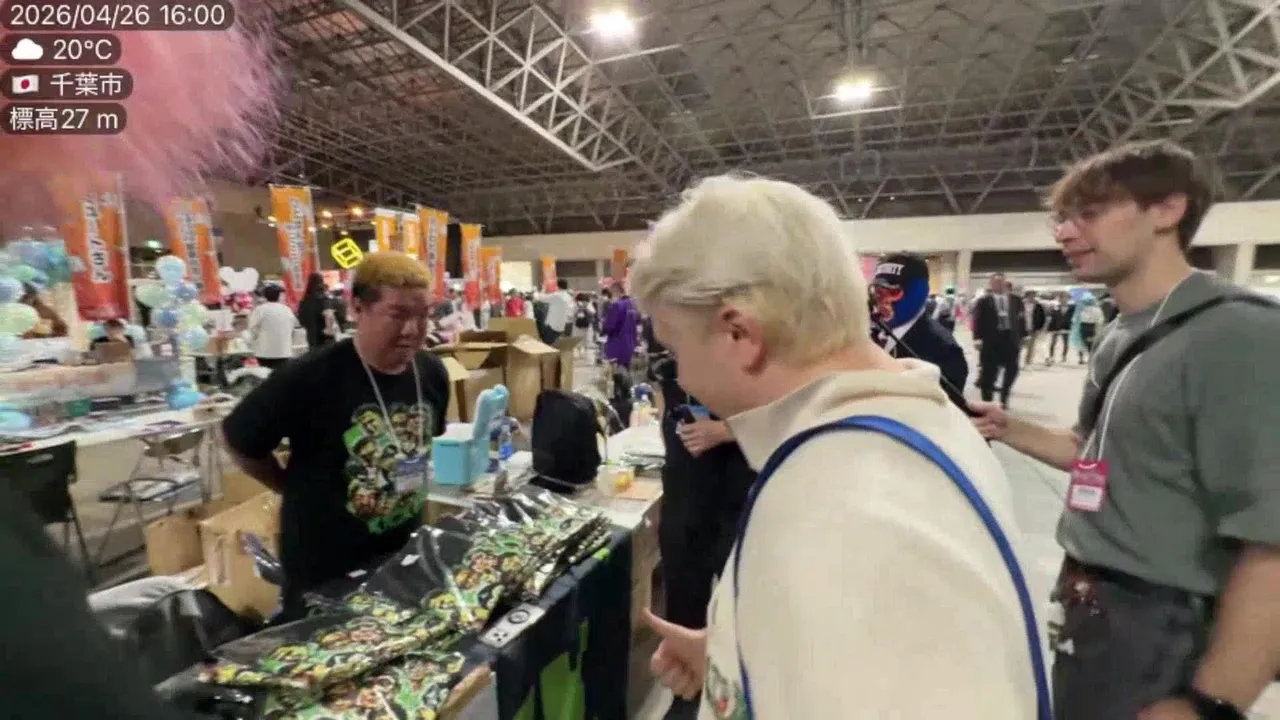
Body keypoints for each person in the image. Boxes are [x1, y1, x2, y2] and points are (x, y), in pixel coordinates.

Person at [630, 175, 1036, 718]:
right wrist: (736, 659)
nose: (680, 375)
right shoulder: (907, 421)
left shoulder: (847, 511)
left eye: (675, 347)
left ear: (739, 335)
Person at [971, 140, 1280, 720]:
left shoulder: (1241, 337)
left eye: (1088, 214)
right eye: (1061, 219)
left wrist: (1208, 703)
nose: (1064, 233)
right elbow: (1092, 453)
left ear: (1168, 210)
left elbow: (1271, 542)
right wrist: (1007, 427)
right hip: (1094, 609)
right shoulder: (1124, 332)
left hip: (1163, 626)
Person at [221, 252, 451, 622]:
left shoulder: (432, 372)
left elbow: (421, 445)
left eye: (424, 315)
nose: (413, 329)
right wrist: (289, 485)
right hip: (325, 566)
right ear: (357, 308)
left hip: (403, 550)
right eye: (397, 314)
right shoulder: (309, 377)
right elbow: (239, 440)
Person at [648, 344, 755, 720]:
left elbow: (789, 404)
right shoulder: (668, 338)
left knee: (742, 606)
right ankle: (686, 700)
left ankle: (740, 698)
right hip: (685, 489)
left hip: (736, 490)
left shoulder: (750, 334)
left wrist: (725, 431)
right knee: (682, 598)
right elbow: (665, 396)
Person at [868, 253, 969, 410]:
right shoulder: (869, 334)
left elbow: (945, 411)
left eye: (892, 292)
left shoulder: (944, 350)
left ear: (919, 292)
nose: (881, 301)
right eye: (877, 292)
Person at [971, 272, 1024, 409]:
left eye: (1001, 282)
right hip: (991, 340)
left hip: (1010, 340)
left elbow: (1021, 319)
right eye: (995, 282)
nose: (999, 285)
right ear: (991, 284)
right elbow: (977, 320)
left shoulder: (1016, 300)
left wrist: (1024, 335)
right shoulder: (984, 301)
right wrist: (977, 338)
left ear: (1005, 283)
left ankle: (1004, 397)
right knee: (988, 373)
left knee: (1012, 370)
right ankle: (987, 403)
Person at [246, 284, 297, 371]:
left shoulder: (260, 310)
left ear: (265, 296)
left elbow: (252, 328)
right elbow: (293, 329)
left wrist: (252, 342)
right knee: (281, 374)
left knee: (266, 374)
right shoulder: (287, 310)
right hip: (284, 351)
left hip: (264, 352)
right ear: (279, 296)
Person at [600, 282, 639, 369]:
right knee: (627, 369)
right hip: (631, 344)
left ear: (615, 292)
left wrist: (603, 331)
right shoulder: (633, 305)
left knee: (617, 372)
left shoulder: (617, 305)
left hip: (617, 344)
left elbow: (610, 326)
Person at [296, 273, 333, 349]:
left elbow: (301, 321)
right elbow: (329, 315)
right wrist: (329, 330)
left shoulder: (304, 301)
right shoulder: (324, 298)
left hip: (311, 339)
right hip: (324, 339)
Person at [537, 278, 574, 344]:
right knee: (558, 345)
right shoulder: (568, 297)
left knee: (547, 344)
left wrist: (543, 289)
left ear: (557, 286)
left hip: (552, 326)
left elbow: (541, 298)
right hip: (562, 326)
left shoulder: (556, 295)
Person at [1044, 292, 1072, 365]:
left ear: (1068, 299)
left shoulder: (1071, 308)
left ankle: (1064, 356)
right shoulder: (1055, 307)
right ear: (1059, 299)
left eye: (1065, 298)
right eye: (1062, 298)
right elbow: (1052, 318)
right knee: (1053, 342)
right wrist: (1048, 328)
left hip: (1066, 327)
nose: (1063, 300)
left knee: (1066, 343)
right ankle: (1051, 356)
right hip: (1056, 327)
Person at [1021, 289, 1047, 366]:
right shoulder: (1021, 305)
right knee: (1020, 345)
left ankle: (1027, 361)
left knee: (1031, 346)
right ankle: (1017, 360)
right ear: (1027, 296)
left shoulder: (1038, 306)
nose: (1031, 297)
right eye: (1030, 296)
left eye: (1033, 296)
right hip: (1022, 328)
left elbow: (1043, 317)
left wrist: (1040, 327)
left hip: (1033, 328)